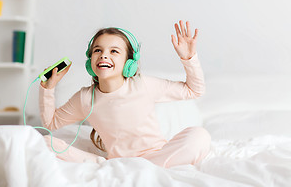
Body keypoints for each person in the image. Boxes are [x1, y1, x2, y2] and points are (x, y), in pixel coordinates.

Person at [39, 20, 211, 168]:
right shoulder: (85, 98)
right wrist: (48, 88)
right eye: (98, 50)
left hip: (156, 156)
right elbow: (51, 124)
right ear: (90, 60)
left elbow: (194, 90)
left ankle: (142, 167)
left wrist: (189, 58)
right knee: (46, 142)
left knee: (199, 136)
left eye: (114, 51)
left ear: (129, 63)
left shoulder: (143, 84)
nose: (104, 55)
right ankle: (124, 167)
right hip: (117, 162)